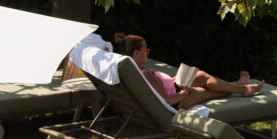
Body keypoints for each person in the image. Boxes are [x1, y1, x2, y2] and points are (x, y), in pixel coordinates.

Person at [112, 33, 261, 109]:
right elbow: (167, 101)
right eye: (146, 49)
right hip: (176, 101)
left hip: (175, 86)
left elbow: (158, 89)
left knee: (201, 75)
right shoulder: (144, 74)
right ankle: (242, 88)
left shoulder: (135, 71)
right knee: (205, 90)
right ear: (136, 53)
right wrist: (185, 93)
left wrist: (173, 80)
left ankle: (240, 87)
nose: (148, 52)